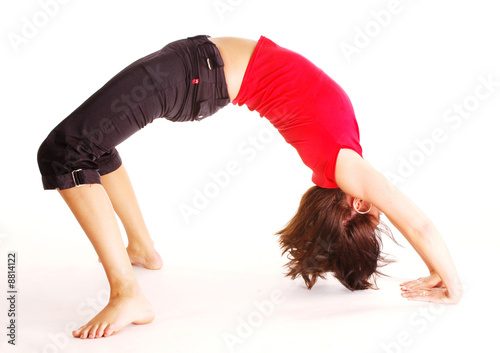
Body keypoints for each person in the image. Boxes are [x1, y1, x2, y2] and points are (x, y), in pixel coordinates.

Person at [37, 35, 463, 339]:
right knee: (93, 141)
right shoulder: (342, 153)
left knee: (63, 152)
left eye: (372, 211)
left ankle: (127, 294)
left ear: (355, 203)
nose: (380, 205)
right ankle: (142, 250)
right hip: (195, 69)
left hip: (194, 75)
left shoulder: (348, 170)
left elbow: (419, 224)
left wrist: (451, 283)